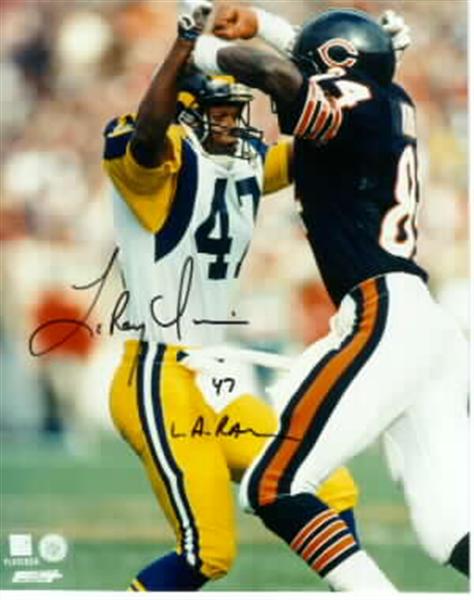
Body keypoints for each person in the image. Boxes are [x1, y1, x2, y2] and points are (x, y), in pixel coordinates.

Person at [191, 4, 470, 591]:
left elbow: (283, 75)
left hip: (385, 315)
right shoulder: (391, 99)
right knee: (450, 527)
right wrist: (264, 25)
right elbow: (325, 61)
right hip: (425, 325)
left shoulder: (351, 99)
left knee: (274, 486)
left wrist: (196, 51)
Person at [102, 3, 359, 591]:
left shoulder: (244, 164)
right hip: (159, 376)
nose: (231, 125)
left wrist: (364, 67)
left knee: (331, 485)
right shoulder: (156, 158)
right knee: (208, 553)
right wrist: (182, 46)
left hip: (214, 376)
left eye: (234, 112)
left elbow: (328, 133)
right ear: (185, 112)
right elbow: (146, 139)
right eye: (218, 113)